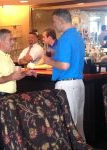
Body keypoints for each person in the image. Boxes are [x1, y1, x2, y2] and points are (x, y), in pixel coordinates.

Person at [0, 28, 37, 150]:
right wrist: (12, 76)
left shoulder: (6, 57)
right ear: (1, 41)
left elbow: (13, 76)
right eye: (10, 39)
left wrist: (26, 73)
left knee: (9, 132)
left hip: (8, 98)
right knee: (0, 131)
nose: (13, 42)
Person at [43, 9, 85, 139]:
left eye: (55, 21)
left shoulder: (65, 38)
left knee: (66, 125)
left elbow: (64, 65)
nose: (54, 25)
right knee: (77, 126)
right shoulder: (77, 36)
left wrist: (49, 61)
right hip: (78, 83)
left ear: (60, 21)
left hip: (67, 86)